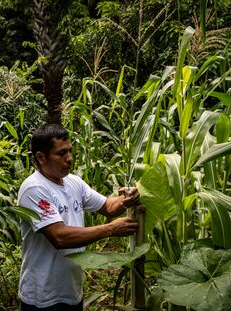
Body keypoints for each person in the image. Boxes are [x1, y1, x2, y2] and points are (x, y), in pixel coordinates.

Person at [17, 124, 143, 311]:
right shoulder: (34, 189)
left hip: (71, 290)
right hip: (43, 296)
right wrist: (110, 229)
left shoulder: (73, 182)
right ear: (41, 158)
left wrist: (126, 199)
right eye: (61, 154)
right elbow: (59, 236)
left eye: (70, 151)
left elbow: (108, 206)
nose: (69, 158)